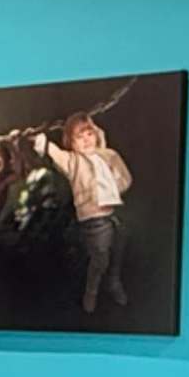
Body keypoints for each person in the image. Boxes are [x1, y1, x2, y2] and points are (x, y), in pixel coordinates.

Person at [48, 109, 133, 315]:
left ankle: (113, 282)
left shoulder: (109, 156)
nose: (86, 139)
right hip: (94, 220)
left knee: (119, 249)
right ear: (71, 142)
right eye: (79, 136)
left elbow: (125, 178)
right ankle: (91, 291)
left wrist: (112, 185)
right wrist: (40, 140)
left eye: (89, 133)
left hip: (114, 213)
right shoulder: (73, 161)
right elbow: (54, 152)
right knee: (100, 257)